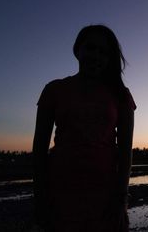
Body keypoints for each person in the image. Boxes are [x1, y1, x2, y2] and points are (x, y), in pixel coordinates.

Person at [32, 25, 136, 231]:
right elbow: (39, 149)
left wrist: (121, 199)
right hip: (60, 193)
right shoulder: (54, 90)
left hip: (106, 197)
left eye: (103, 52)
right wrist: (40, 197)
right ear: (77, 50)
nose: (95, 56)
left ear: (109, 58)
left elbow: (126, 152)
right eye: (90, 48)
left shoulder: (121, 95)